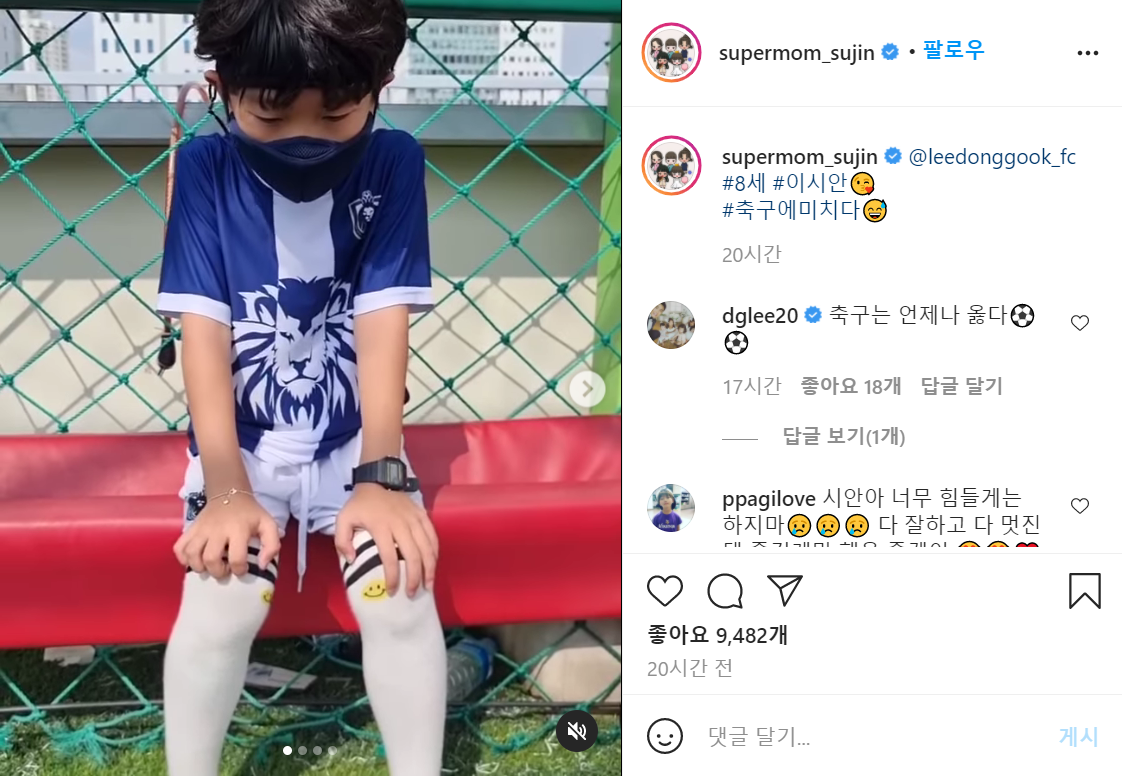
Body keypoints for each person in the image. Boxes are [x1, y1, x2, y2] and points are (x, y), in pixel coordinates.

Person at [155, 0, 445, 773]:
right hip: (243, 446)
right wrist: (226, 489)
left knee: (401, 600)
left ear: (379, 88)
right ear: (222, 89)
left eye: (337, 114)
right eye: (271, 114)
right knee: (222, 605)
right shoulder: (207, 170)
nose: (303, 137)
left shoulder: (393, 161)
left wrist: (381, 475)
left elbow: (383, 321)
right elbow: (204, 337)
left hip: (354, 441)